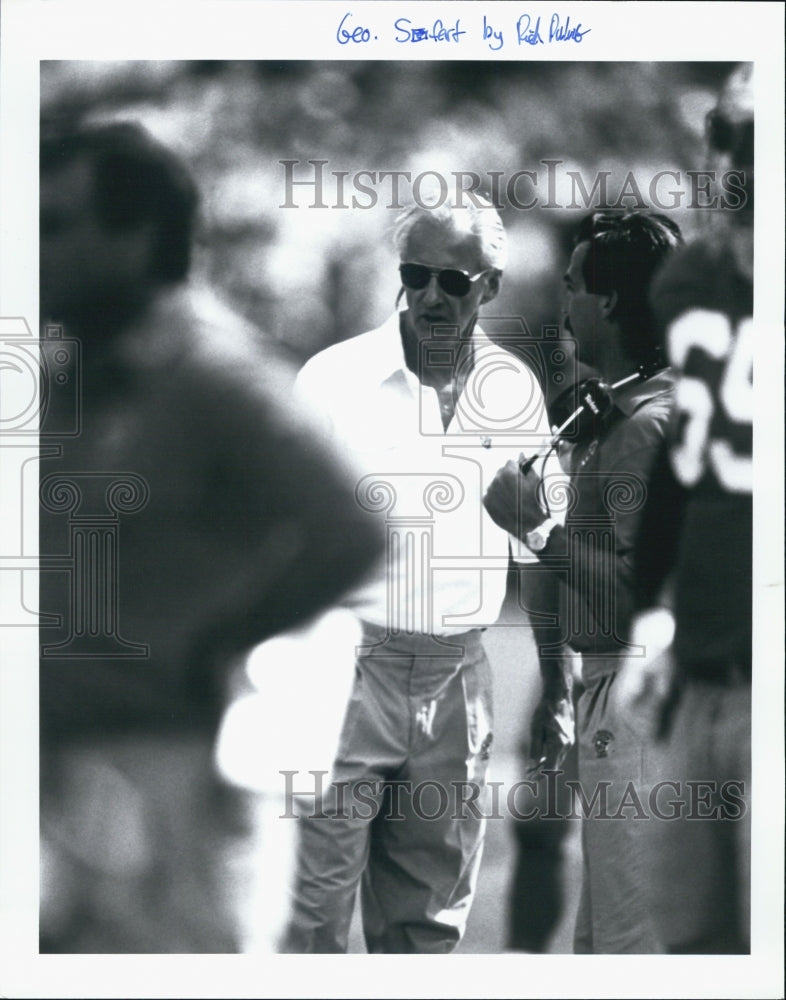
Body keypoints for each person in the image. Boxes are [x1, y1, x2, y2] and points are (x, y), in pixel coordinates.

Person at [38, 120, 382, 952]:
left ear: (138, 236)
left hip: (173, 775)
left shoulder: (214, 376)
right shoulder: (62, 378)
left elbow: (349, 532)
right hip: (55, 765)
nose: (29, 246)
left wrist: (219, 638)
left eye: (53, 224)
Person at [282, 197, 560, 954]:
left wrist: (558, 690)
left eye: (454, 280)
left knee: (427, 928)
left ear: (490, 287)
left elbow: (541, 549)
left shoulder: (516, 391)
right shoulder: (331, 379)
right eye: (415, 275)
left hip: (458, 677)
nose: (432, 295)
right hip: (345, 670)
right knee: (309, 923)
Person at [484, 210, 683, 953]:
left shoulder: (643, 425)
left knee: (629, 944)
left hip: (635, 693)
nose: (562, 304)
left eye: (573, 287)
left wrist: (535, 528)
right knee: (600, 941)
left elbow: (639, 596)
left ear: (607, 303)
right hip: (608, 688)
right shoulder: (620, 409)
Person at [618, 63, 754, 953]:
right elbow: (687, 459)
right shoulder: (694, 282)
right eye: (728, 138)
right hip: (699, 668)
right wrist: (650, 612)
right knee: (691, 944)